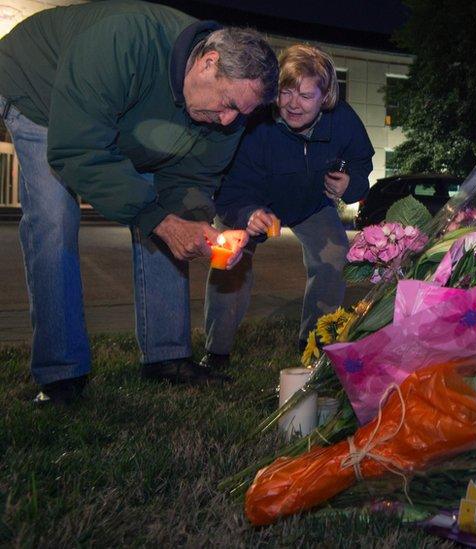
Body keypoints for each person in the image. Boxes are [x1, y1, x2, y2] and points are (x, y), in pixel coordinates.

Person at [0, 0, 279, 403]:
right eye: (230, 104)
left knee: (168, 215)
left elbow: (193, 179)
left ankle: (167, 357)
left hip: (126, 113)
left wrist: (199, 230)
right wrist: (160, 219)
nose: (229, 122)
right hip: (40, 91)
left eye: (243, 114)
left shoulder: (227, 111)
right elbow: (77, 149)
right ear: (207, 62)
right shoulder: (124, 40)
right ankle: (61, 373)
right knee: (54, 218)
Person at [202, 45, 374, 370]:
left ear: (325, 97)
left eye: (306, 96)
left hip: (310, 203)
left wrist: (350, 184)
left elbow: (362, 163)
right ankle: (216, 353)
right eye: (286, 92)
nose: (293, 104)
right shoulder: (254, 125)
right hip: (254, 203)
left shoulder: (343, 121)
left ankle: (315, 344)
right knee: (230, 260)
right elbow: (229, 188)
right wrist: (248, 214)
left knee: (335, 255)